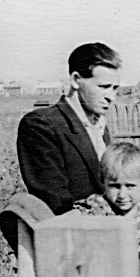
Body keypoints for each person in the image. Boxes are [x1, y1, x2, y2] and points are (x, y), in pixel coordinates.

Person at [17, 42, 121, 214]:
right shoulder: (41, 125)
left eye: (115, 88)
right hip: (74, 226)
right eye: (103, 87)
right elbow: (55, 202)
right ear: (75, 80)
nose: (111, 97)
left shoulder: (99, 124)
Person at [71, 142, 140, 244]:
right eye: (114, 186)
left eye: (130, 186)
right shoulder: (95, 209)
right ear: (102, 181)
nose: (122, 195)